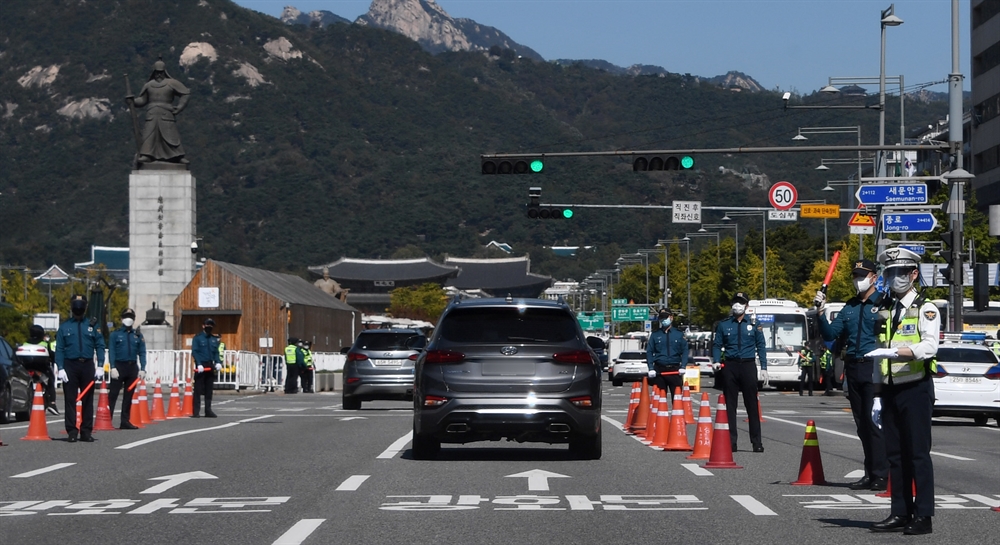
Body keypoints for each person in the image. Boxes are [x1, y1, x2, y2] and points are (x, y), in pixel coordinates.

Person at [868, 247, 940, 535]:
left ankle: (923, 516)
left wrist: (898, 351)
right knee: (894, 454)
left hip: (915, 387)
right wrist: (876, 393)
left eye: (900, 272)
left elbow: (930, 346)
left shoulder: (927, 308)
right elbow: (877, 353)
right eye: (890, 273)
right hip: (889, 388)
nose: (894, 277)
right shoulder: (885, 309)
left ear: (913, 274)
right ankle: (900, 511)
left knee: (918, 454)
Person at [814, 258, 888, 491]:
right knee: (861, 424)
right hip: (853, 367)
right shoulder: (850, 306)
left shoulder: (885, 304)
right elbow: (832, 333)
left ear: (874, 277)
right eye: (856, 276)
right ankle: (870, 472)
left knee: (874, 422)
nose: (858, 280)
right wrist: (820, 313)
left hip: (875, 366)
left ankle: (882, 474)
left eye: (862, 275)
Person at [711, 291, 768, 453]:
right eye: (735, 302)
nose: (737, 305)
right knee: (730, 406)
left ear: (747, 306)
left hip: (748, 365)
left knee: (752, 405)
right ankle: (731, 441)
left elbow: (761, 346)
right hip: (730, 365)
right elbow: (717, 344)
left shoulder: (754, 324)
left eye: (741, 302)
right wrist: (716, 360)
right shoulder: (724, 325)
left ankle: (756, 442)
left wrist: (763, 367)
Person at [54, 295, 106, 442]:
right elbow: (60, 348)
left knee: (88, 400)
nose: (78, 307)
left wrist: (100, 365)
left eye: (81, 304)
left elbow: (100, 345)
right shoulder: (65, 327)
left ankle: (86, 431)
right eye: (76, 304)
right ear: (72, 306)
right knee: (70, 399)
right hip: (70, 365)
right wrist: (61, 367)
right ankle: (71, 431)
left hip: (87, 364)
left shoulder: (92, 325)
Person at [128, 59, 190, 164]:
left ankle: (177, 156)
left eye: (161, 72)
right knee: (149, 136)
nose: (159, 74)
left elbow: (185, 93)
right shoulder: (149, 85)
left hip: (166, 113)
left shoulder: (171, 83)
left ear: (165, 71)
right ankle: (147, 155)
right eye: (157, 72)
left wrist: (180, 107)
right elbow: (142, 100)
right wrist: (132, 101)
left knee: (170, 136)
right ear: (154, 72)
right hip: (152, 114)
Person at [107, 308, 146, 429]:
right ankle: (107, 419)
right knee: (113, 394)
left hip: (132, 367)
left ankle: (125, 420)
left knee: (128, 396)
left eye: (130, 317)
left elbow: (142, 352)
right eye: (126, 316)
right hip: (119, 366)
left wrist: (143, 368)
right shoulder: (115, 334)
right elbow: (112, 351)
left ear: (134, 319)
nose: (128, 319)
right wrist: (112, 367)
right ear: (121, 319)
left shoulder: (138, 335)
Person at [645, 309, 688, 404]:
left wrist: (683, 366)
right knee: (660, 400)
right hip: (660, 370)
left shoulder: (679, 334)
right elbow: (649, 351)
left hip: (674, 370)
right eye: (661, 318)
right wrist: (651, 367)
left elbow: (685, 351)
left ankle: (677, 418)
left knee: (677, 399)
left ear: (671, 318)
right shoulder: (655, 335)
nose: (663, 320)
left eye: (665, 317)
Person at [24, 325, 59, 414]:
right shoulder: (45, 344)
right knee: (51, 380)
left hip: (27, 369)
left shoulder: (25, 343)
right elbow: (52, 356)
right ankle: (52, 403)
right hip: (42, 370)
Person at [190, 318, 221, 417]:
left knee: (209, 389)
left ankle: (208, 410)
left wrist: (218, 362)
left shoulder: (213, 339)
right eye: (208, 325)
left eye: (211, 325)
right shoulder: (197, 338)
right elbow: (195, 351)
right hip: (201, 365)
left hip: (210, 365)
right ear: (203, 325)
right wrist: (198, 363)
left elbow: (216, 352)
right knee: (198, 390)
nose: (209, 327)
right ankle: (196, 411)